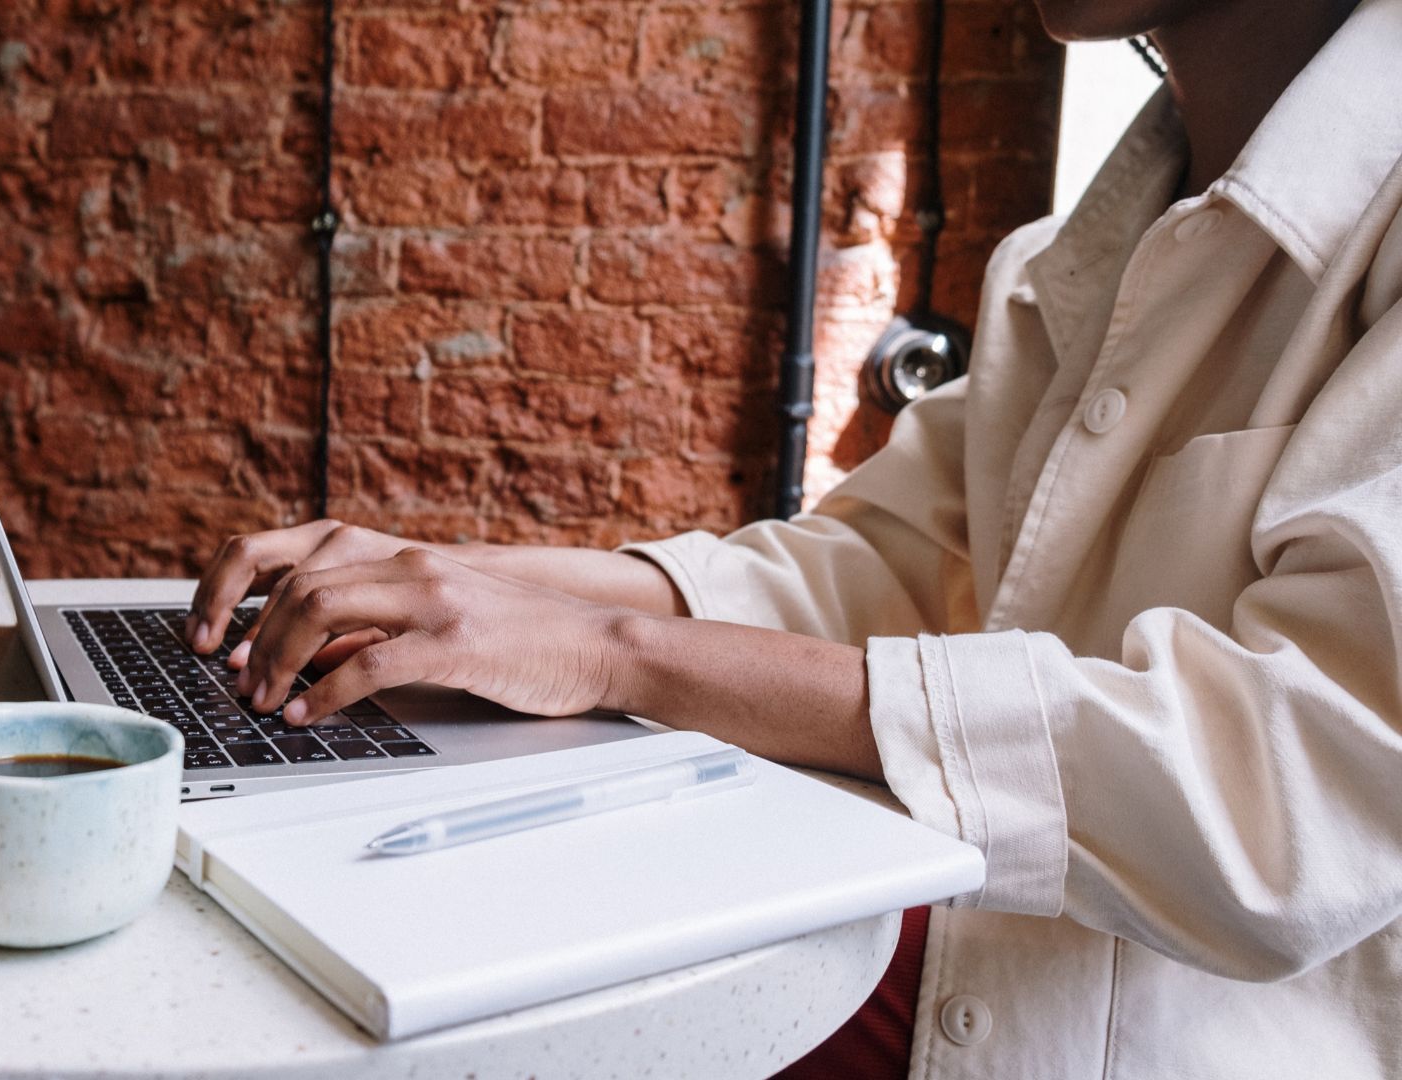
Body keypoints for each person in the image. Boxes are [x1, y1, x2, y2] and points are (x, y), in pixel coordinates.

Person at [184, 0, 1402, 1074]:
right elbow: (881, 566)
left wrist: (615, 653)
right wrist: (459, 583)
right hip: (980, 976)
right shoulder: (1098, 245)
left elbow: (1288, 795)